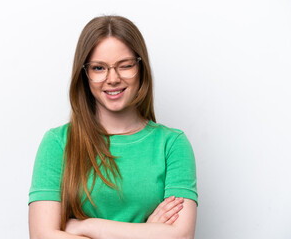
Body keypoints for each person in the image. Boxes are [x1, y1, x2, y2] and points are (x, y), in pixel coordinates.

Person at [28, 15, 197, 239]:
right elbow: (42, 236)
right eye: (99, 68)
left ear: (141, 67)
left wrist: (87, 227)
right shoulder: (57, 142)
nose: (113, 78)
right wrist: (147, 232)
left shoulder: (172, 144)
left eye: (125, 66)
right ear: (84, 74)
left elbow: (181, 236)